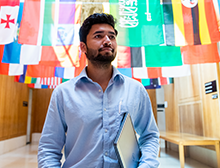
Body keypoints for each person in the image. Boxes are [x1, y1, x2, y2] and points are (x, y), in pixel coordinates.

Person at [38, 13, 160, 168]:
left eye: (112, 36)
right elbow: (49, 147)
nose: (107, 41)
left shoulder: (136, 90)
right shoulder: (63, 93)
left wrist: (146, 166)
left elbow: (149, 136)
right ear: (83, 47)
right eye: (98, 36)